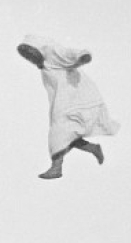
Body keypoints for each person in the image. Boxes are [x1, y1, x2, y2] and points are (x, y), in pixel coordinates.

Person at [17, 35, 120, 179]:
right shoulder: (44, 63)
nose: (30, 58)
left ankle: (56, 168)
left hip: (75, 100)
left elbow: (68, 53)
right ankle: (92, 148)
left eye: (30, 54)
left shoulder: (52, 53)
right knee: (68, 134)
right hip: (64, 101)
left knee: (59, 133)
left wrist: (81, 56)